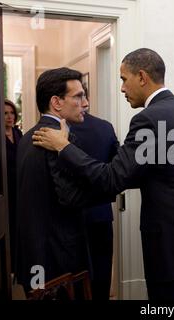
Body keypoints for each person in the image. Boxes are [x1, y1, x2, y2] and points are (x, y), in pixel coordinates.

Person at [32, 48, 174, 301]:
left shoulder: (148, 119)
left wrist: (63, 146)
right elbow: (162, 171)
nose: (122, 88)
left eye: (124, 79)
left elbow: (112, 178)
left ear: (142, 77)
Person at [16, 67, 101, 293]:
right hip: (59, 260)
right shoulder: (58, 139)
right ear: (56, 102)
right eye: (78, 96)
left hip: (33, 253)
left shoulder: (25, 138)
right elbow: (70, 196)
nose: (85, 103)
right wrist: (106, 185)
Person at [71, 89, 120, 300]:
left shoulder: (55, 130)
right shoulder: (105, 128)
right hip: (100, 213)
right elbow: (117, 172)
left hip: (68, 216)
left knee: (72, 277)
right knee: (100, 275)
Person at [4, 98, 23, 272]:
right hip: (5, 188)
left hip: (21, 187)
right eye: (5, 113)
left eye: (11, 113)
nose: (9, 117)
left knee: (20, 225)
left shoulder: (18, 134)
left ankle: (19, 265)